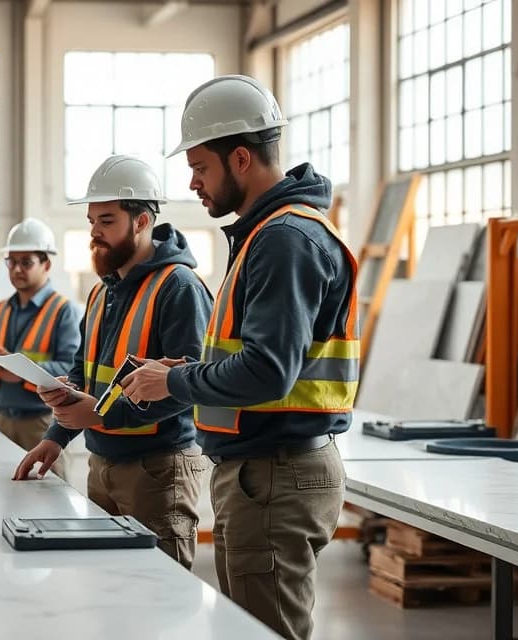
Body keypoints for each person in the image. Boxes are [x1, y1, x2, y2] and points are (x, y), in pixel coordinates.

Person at [120, 75, 358, 640]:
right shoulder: (265, 234)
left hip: (276, 472)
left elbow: (269, 372)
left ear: (242, 158)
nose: (193, 181)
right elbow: (259, 355)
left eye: (201, 166)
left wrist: (173, 387)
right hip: (263, 471)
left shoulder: (284, 239)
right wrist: (184, 372)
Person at [12, 155, 214, 570]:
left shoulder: (179, 288)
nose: (94, 233)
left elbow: (189, 385)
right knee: (111, 587)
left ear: (141, 222)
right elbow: (86, 375)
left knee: (159, 596)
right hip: (101, 463)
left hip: (158, 471)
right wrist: (56, 436)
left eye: (106, 221)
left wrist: (100, 415)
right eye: (91, 221)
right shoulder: (103, 292)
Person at [0, 218, 80, 479]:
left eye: (26, 262)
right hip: (0, 422)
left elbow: (72, 369)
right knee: (1, 498)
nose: (17, 269)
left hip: (42, 425)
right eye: (11, 261)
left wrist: (21, 374)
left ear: (46, 264)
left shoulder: (64, 311)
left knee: (49, 504)